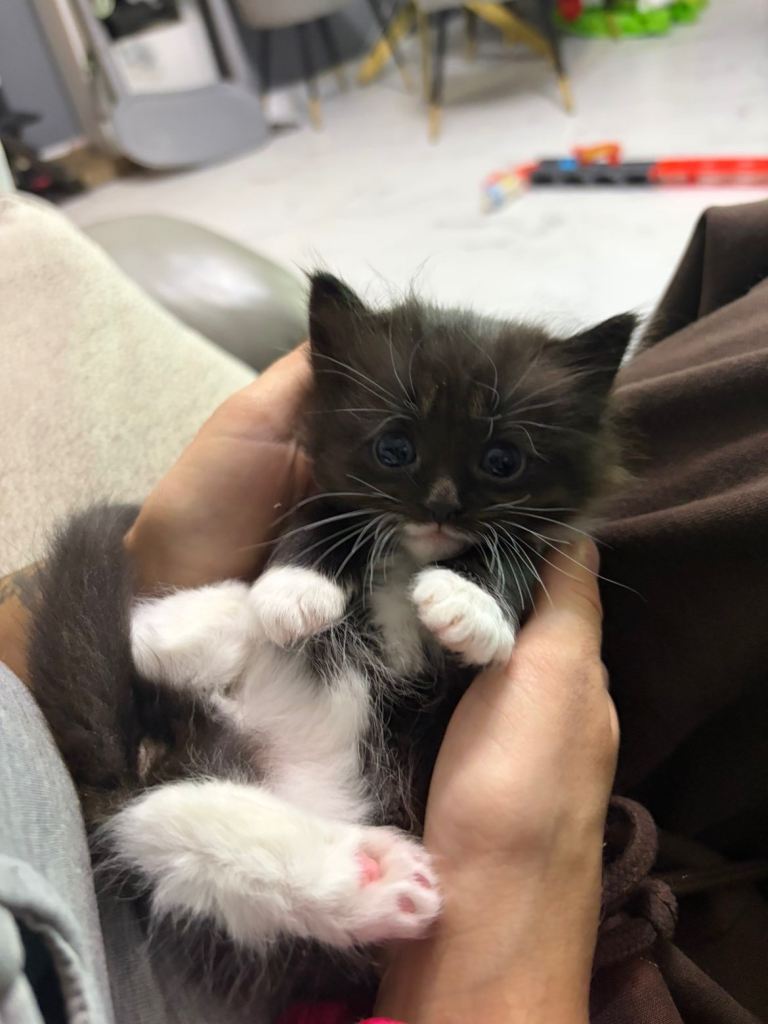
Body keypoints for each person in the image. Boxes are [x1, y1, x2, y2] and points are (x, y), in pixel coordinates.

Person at [0, 345, 617, 1024]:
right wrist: (503, 921)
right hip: (232, 831)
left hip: (186, 831)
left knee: (151, 807)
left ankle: (264, 853)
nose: (442, 498)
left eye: (499, 465)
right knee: (192, 717)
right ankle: (276, 860)